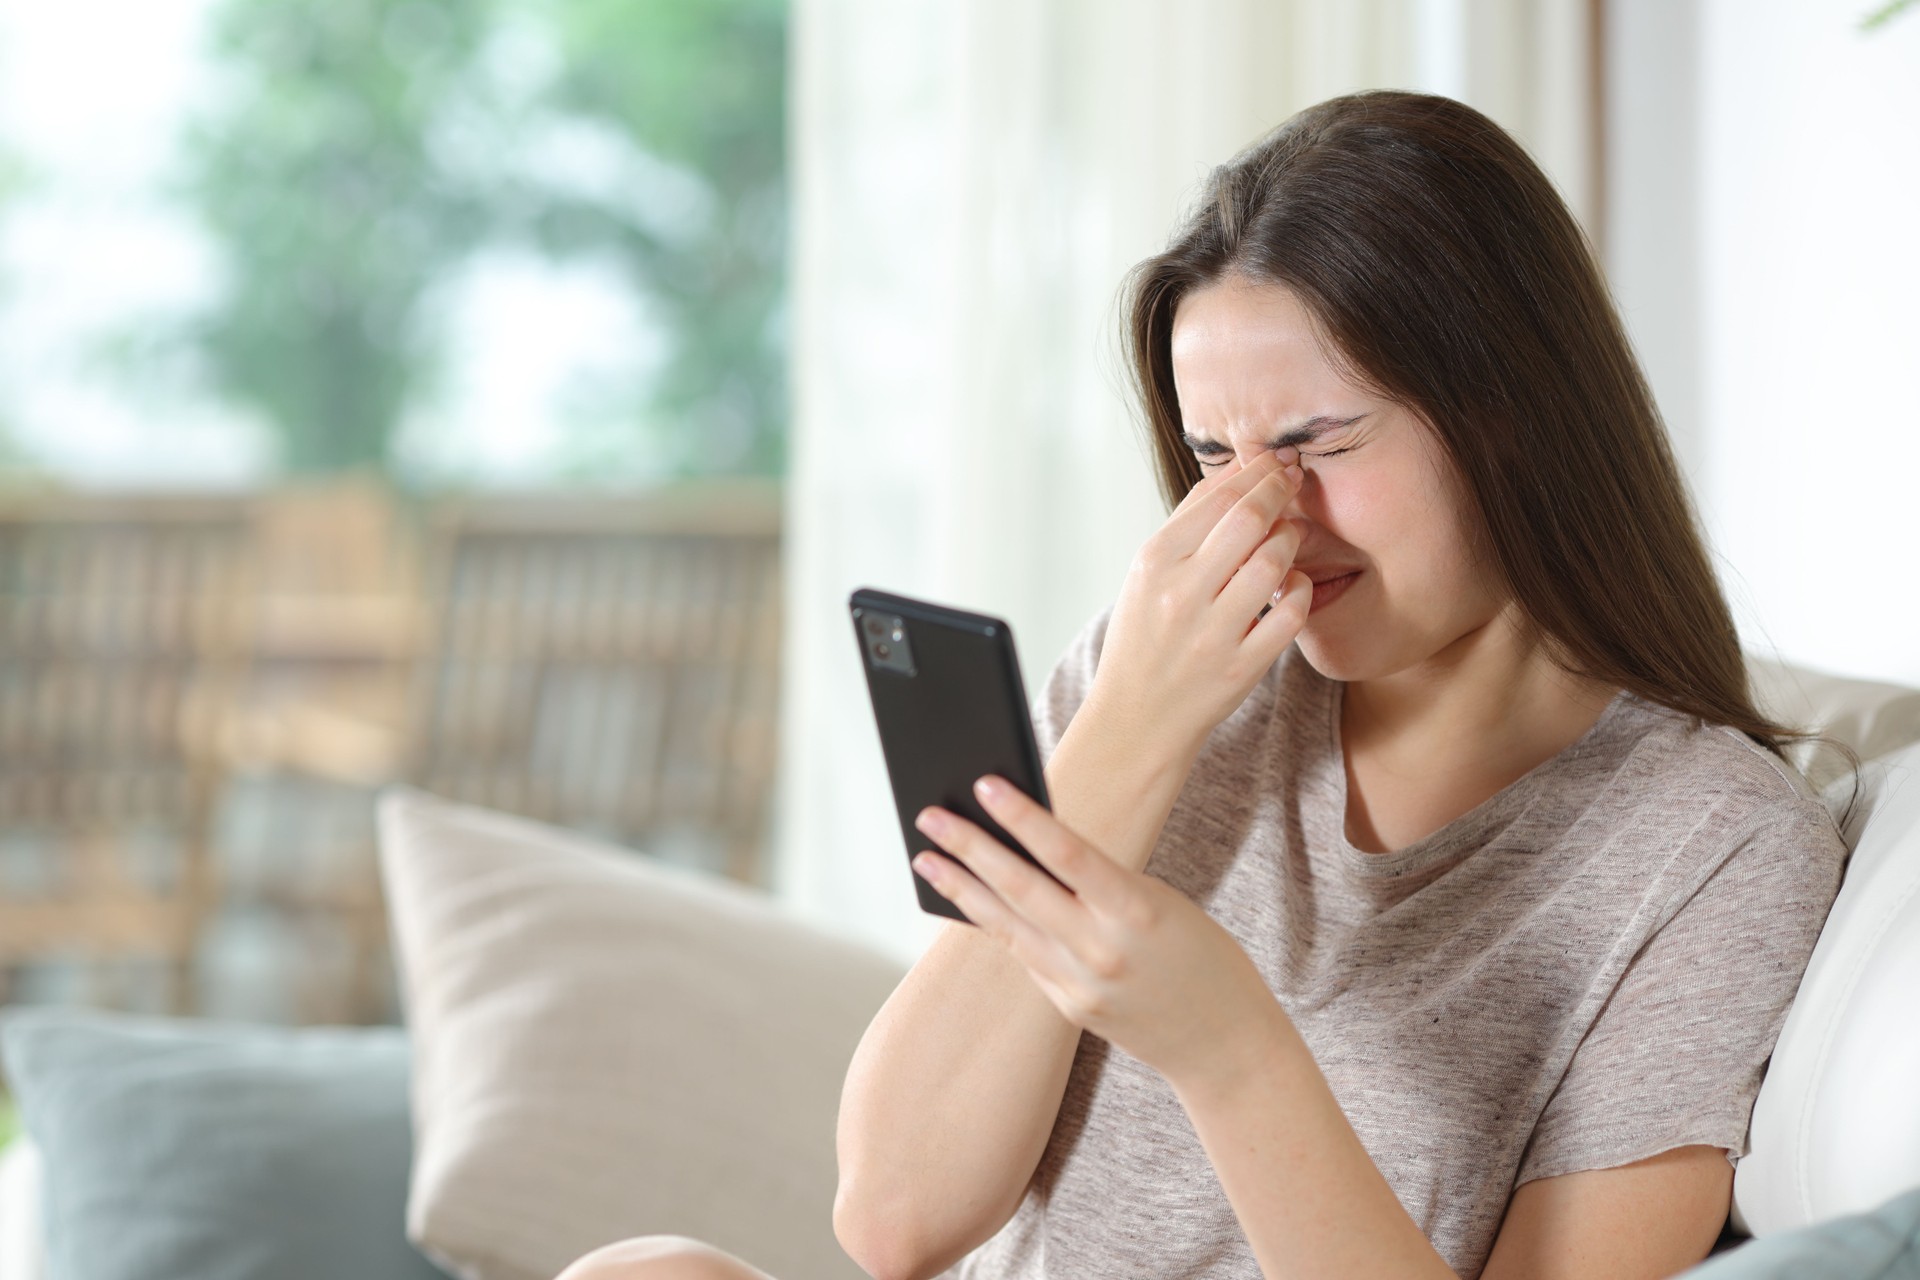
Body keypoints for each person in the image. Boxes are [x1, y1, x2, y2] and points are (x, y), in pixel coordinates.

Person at [557, 89, 1856, 1280]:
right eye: (1212, 453)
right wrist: (1125, 731)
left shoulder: (1710, 845)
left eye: (1320, 443)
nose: (1261, 515)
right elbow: (896, 1218)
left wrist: (1227, 1050)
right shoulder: (1167, 679)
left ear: (1510, 414)